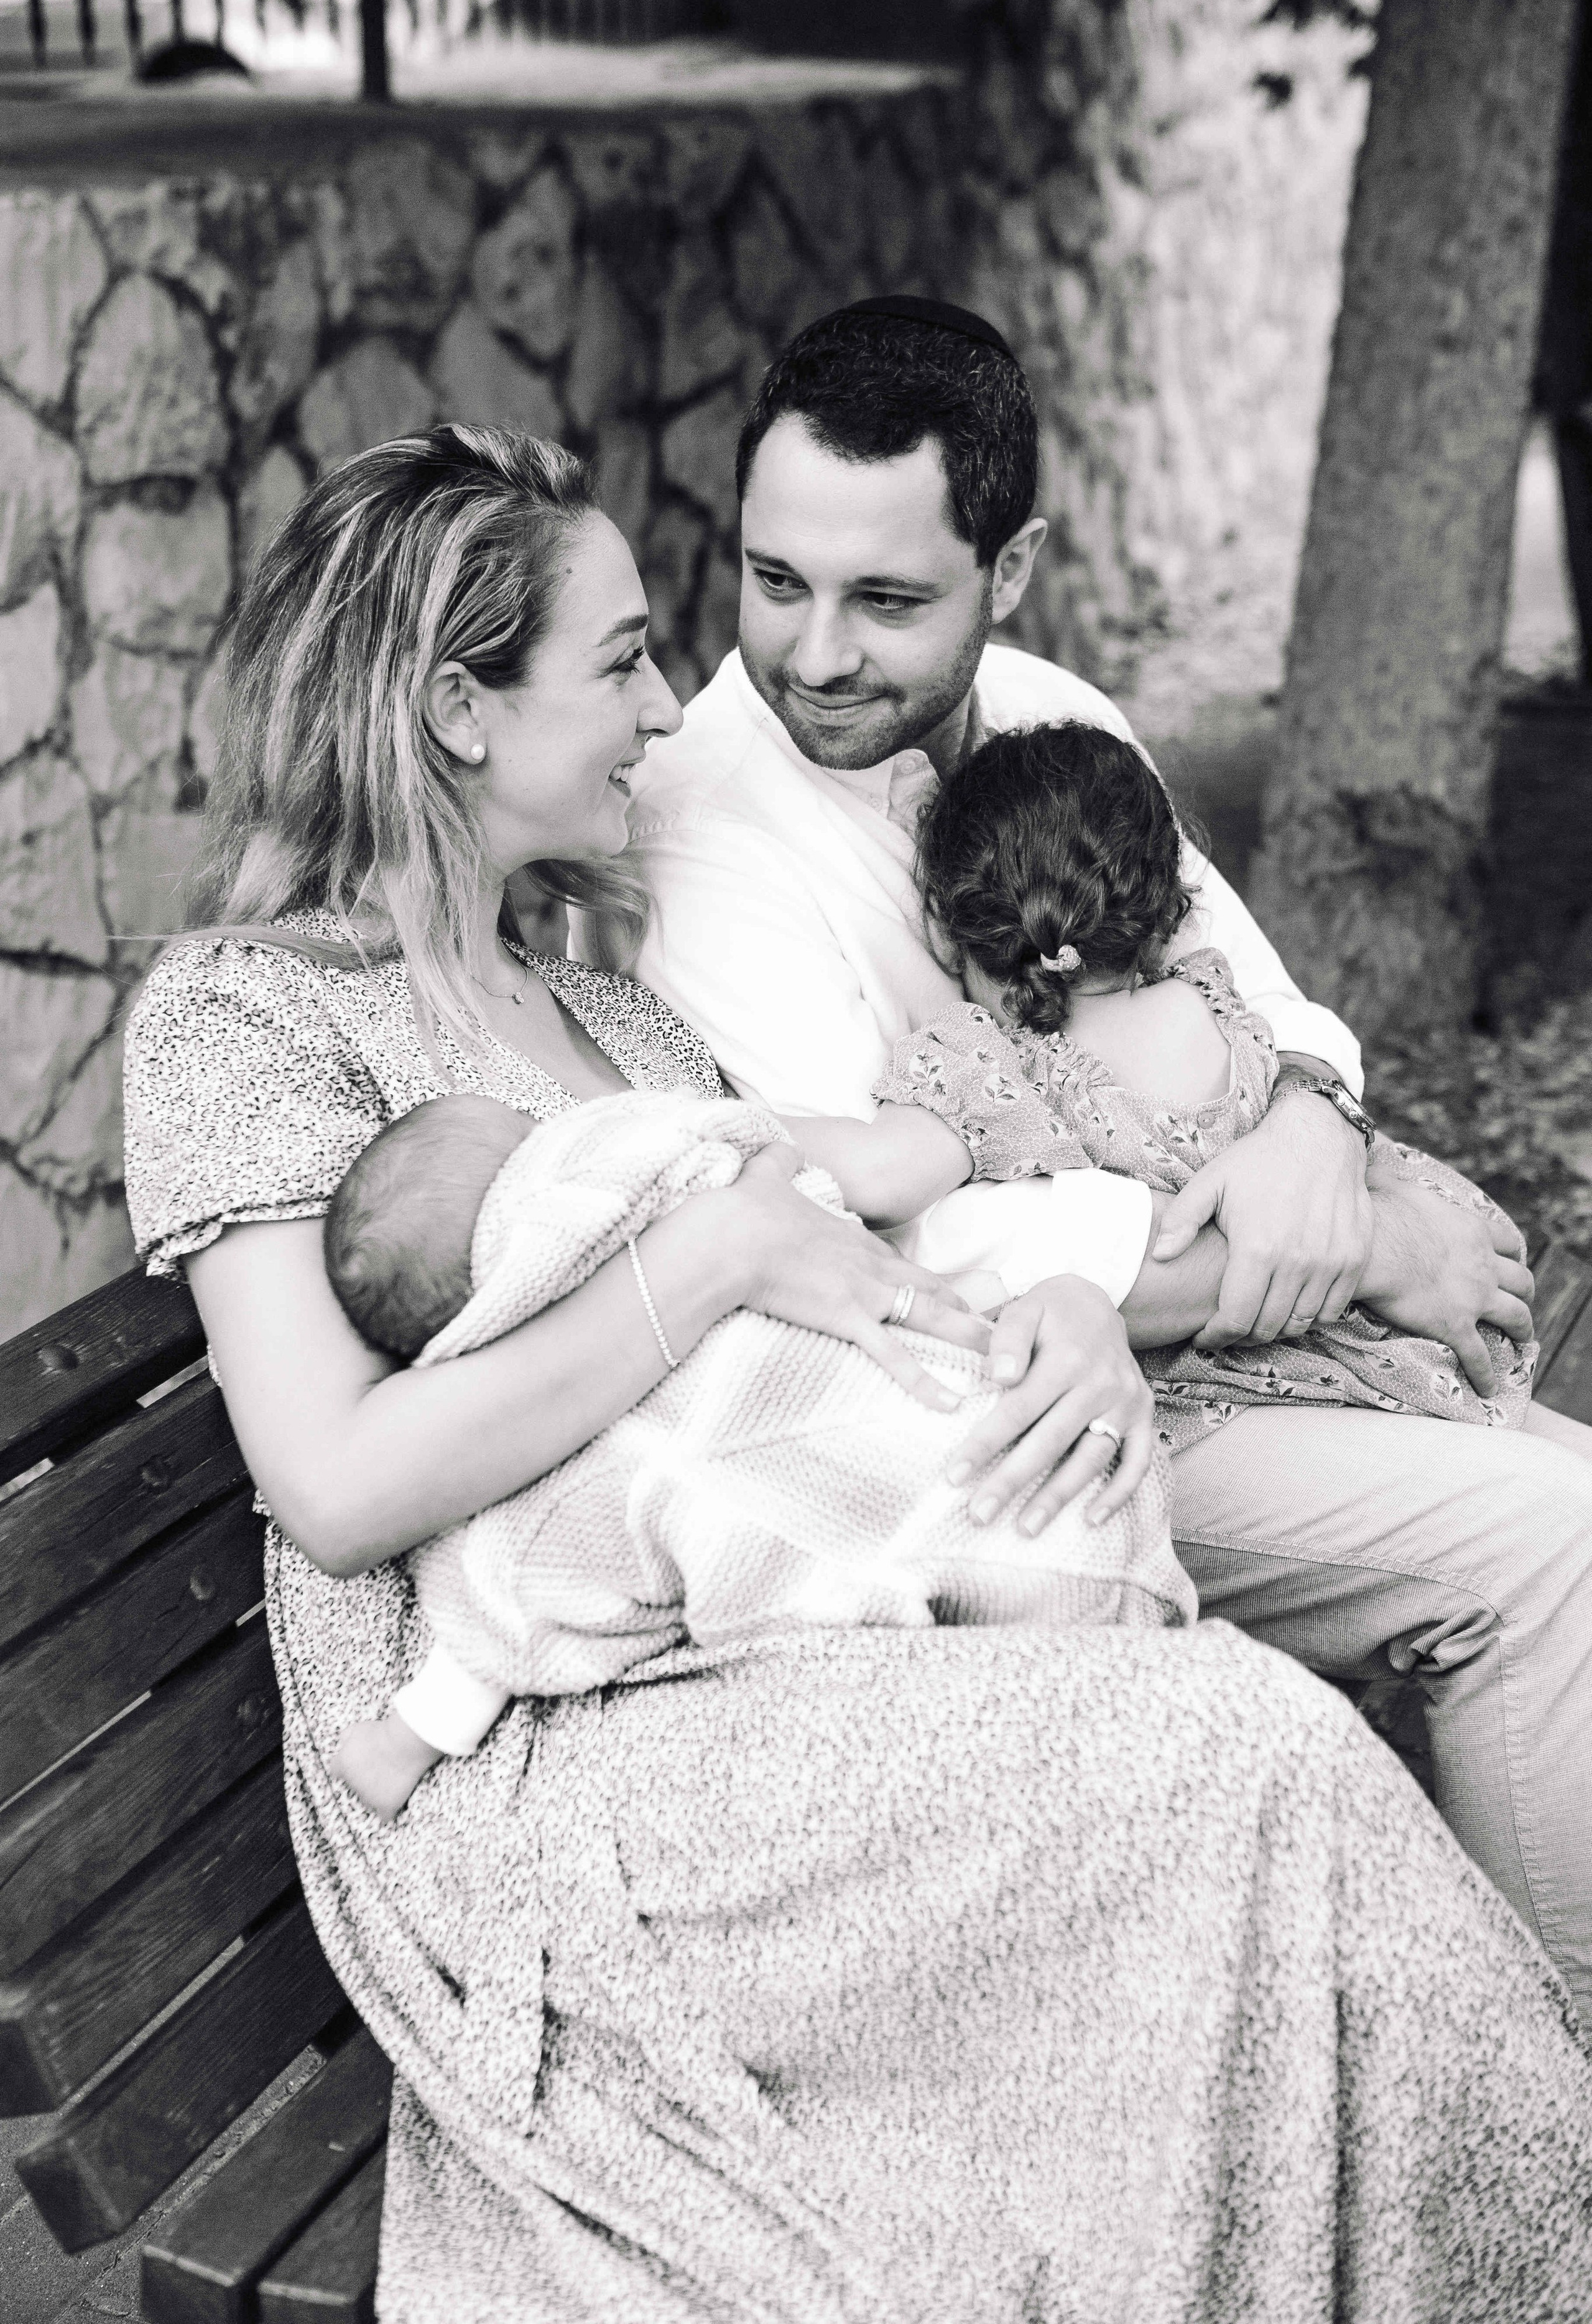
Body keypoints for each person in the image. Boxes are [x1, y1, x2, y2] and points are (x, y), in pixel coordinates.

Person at [123, 424, 1592, 2322]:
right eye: (623, 658)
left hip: (777, 1604)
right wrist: (710, 1247)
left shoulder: (602, 1004)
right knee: (1251, 1748)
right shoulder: (247, 1015)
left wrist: (1056, 1316)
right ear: (457, 711)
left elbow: (864, 1245)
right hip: (542, 1741)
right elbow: (333, 1480)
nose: (669, 706)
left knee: (1230, 1731)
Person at [606, 294, 1592, 2029]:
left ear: (1017, 565)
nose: (816, 654)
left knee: (1562, 1485)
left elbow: (1270, 1007)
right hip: (1024, 1439)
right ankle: (1547, 2107)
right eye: (776, 583)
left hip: (1231, 1356)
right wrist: (1362, 1251)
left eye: (888, 599)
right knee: (1555, 1546)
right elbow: (914, 1256)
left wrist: (1318, 1133)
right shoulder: (708, 825)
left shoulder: (1056, 712)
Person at [323, 1085, 1188, 1821]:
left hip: (965, 1585)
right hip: (1040, 1511)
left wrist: (404, 1743)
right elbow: (776, 1179)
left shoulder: (590, 1461)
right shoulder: (603, 1371)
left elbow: (507, 1601)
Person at [791, 716, 1548, 1451]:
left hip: (1248, 1391)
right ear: (1165, 909)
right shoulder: (1213, 998)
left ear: (946, 926)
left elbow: (882, 1178)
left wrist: (706, 1114)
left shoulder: (986, 1066)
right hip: (1406, 1347)